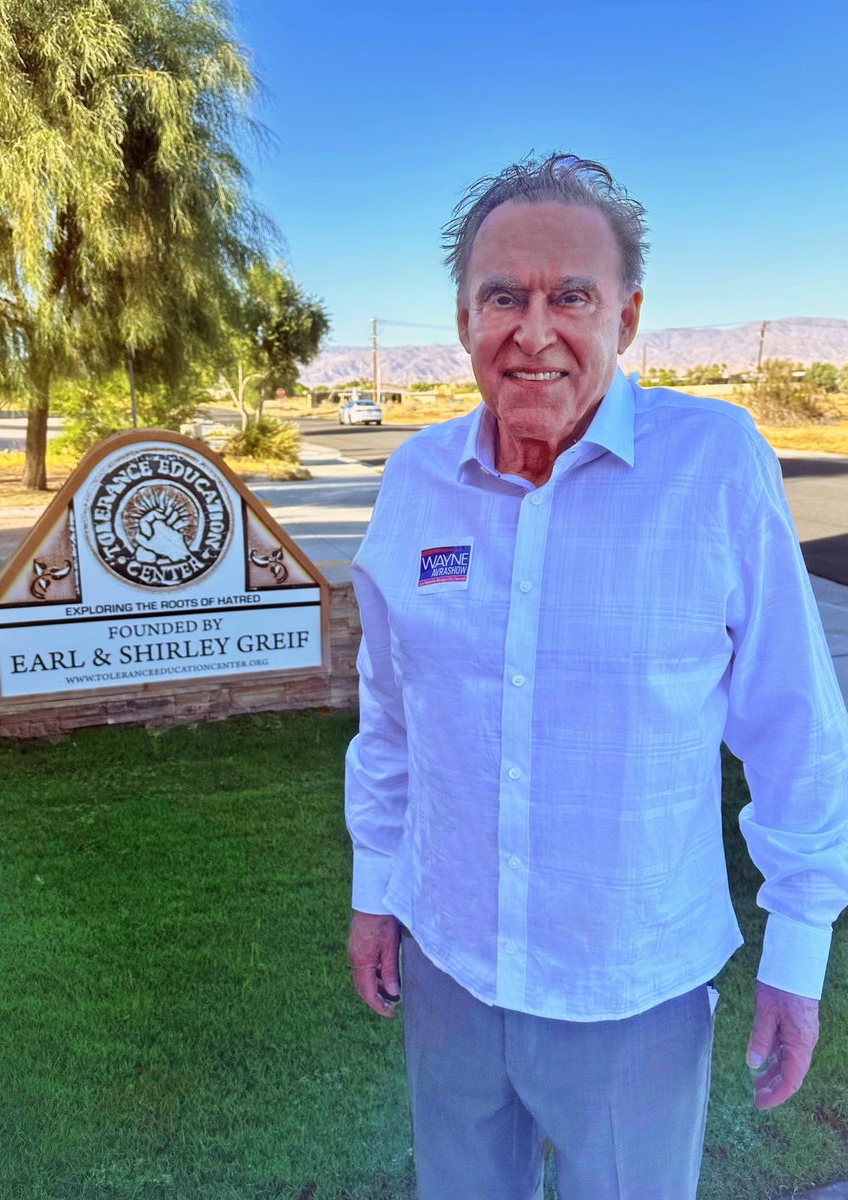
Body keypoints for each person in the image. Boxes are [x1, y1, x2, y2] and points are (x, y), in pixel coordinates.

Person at [344, 153, 848, 1200]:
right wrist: (373, 891)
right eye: (503, 297)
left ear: (627, 312)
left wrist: (797, 951)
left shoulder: (715, 464)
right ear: (464, 317)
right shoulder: (415, 482)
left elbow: (796, 726)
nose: (533, 331)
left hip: (634, 989)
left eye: (570, 295)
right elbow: (392, 717)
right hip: (450, 970)